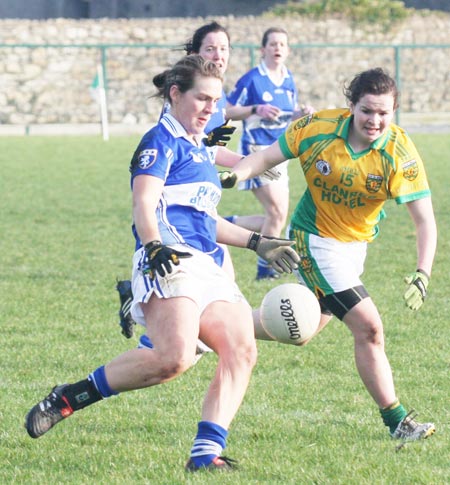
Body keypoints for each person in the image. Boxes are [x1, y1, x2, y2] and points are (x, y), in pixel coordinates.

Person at [24, 55, 300, 472]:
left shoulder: (200, 147)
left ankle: (205, 455)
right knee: (174, 359)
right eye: (202, 99)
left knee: (241, 349)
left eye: (215, 100)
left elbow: (206, 223)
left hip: (206, 261)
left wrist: (258, 242)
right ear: (175, 94)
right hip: (169, 258)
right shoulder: (160, 141)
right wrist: (153, 247)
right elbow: (144, 202)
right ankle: (70, 397)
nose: (210, 108)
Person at [219, 67, 437, 442]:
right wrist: (236, 175)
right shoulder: (318, 129)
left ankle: (205, 332)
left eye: (384, 113)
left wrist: (423, 271)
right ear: (351, 105)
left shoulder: (399, 152)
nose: (375, 120)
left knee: (299, 329)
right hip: (314, 240)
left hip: (355, 248)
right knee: (369, 328)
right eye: (367, 110)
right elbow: (267, 157)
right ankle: (398, 423)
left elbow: (425, 221)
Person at [117, 21, 264, 339]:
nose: (218, 54)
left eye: (223, 48)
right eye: (210, 48)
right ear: (195, 54)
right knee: (193, 339)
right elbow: (170, 167)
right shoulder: (175, 117)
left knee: (224, 330)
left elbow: (204, 151)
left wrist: (248, 162)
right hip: (175, 232)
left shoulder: (215, 93)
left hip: (201, 225)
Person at [226, 27, 313, 280]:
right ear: (262, 50)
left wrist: (302, 113)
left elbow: (290, 113)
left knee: (276, 216)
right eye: (272, 44)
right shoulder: (252, 79)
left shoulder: (288, 79)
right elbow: (227, 111)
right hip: (255, 152)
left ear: (288, 51)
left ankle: (221, 223)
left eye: (282, 44)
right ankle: (265, 272)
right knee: (276, 214)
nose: (277, 48)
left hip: (280, 154)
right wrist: (255, 109)